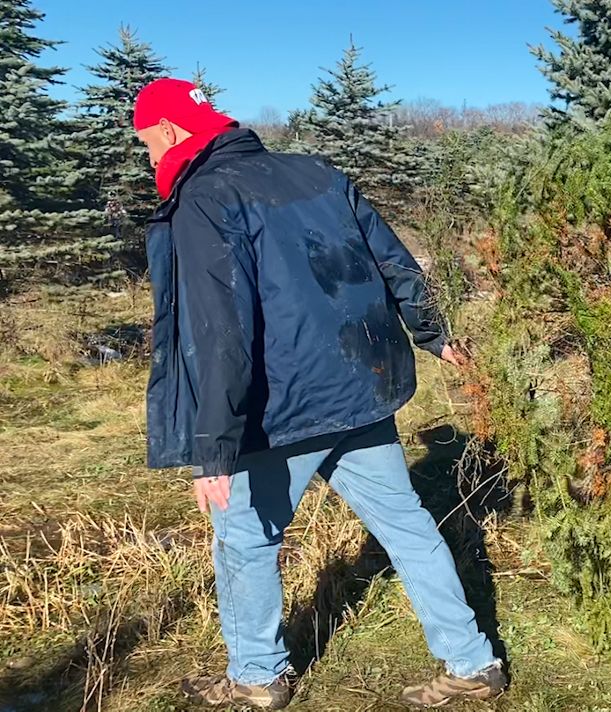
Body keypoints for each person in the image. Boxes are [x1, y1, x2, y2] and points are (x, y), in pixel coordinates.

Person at [133, 78, 507, 709]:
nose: (147, 159)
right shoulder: (316, 172)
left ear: (170, 132)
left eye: (146, 144)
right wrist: (434, 334)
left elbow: (220, 329)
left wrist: (215, 448)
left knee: (245, 540)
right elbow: (393, 260)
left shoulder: (204, 196)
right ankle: (472, 660)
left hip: (280, 409)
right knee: (408, 525)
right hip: (359, 386)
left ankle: (256, 675)